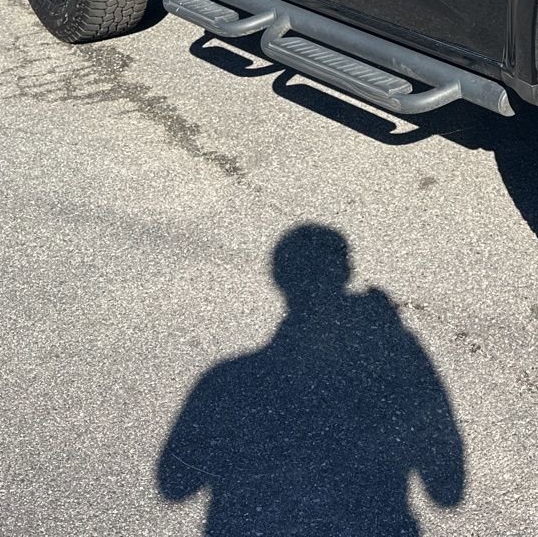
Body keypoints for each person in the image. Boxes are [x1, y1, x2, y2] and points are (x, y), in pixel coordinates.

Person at [157, 224, 465, 536]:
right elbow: (446, 489)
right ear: (346, 273)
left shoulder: (226, 383)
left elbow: (175, 483)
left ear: (279, 279)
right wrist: (402, 352)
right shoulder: (391, 371)